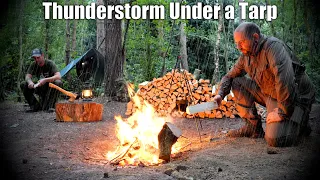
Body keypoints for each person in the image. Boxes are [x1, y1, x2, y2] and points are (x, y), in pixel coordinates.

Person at [213, 22, 315, 147]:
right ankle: (253, 128)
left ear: (255, 37)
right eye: (236, 43)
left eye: (242, 42)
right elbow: (229, 76)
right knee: (236, 82)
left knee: (275, 139)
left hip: (295, 97)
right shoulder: (246, 55)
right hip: (271, 94)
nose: (238, 47)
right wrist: (220, 95)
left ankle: (300, 120)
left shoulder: (273, 47)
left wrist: (282, 113)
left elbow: (285, 81)